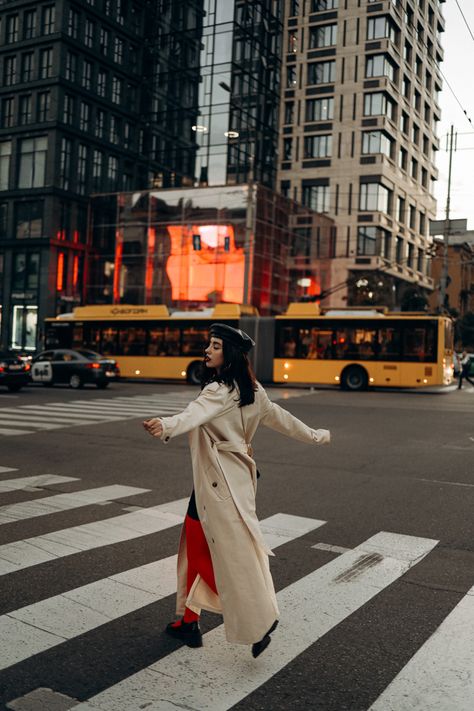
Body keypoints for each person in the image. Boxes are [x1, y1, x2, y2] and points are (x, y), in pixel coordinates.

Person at [143, 323, 330, 658]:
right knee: (210, 546)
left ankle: (254, 620)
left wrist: (165, 425)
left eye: (215, 346)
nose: (208, 350)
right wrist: (317, 436)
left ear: (227, 353)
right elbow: (284, 420)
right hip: (238, 480)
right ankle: (189, 620)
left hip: (215, 483)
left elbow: (193, 414)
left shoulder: (217, 390)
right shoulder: (254, 392)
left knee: (210, 554)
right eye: (209, 345)